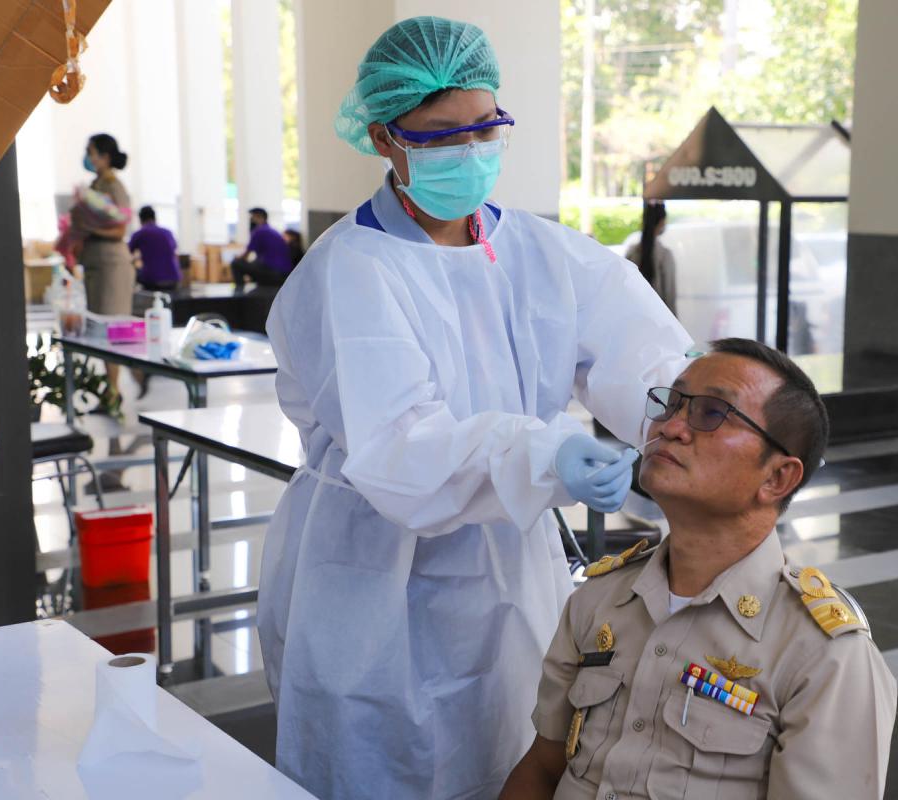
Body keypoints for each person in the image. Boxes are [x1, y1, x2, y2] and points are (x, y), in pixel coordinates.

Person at [257, 16, 691, 800]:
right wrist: (545, 455)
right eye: (440, 137)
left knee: (512, 747)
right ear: (385, 139)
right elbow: (400, 451)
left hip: (506, 566)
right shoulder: (348, 272)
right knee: (381, 767)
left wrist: (693, 415)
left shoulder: (540, 253)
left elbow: (644, 355)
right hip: (373, 578)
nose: (470, 151)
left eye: (486, 127)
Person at [502, 338, 897, 800]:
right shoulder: (598, 599)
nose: (670, 427)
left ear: (776, 478)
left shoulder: (824, 656)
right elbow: (543, 768)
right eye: (672, 404)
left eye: (711, 413)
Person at [77, 133, 132, 405]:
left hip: (112, 265)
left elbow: (120, 229)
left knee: (113, 329)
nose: (88, 158)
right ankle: (111, 391)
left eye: (91, 152)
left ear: (105, 156)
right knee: (100, 331)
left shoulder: (114, 186)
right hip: (95, 263)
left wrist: (90, 229)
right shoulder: (95, 185)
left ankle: (115, 391)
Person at [625, 201, 678, 316]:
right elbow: (669, 296)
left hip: (634, 317)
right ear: (662, 223)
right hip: (657, 319)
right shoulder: (665, 255)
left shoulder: (631, 253)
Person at [232, 207, 293, 288]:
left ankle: (239, 291)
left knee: (236, 263)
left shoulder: (259, 231)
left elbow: (245, 255)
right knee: (255, 263)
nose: (251, 220)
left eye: (253, 217)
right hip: (285, 273)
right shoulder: (272, 230)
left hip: (273, 272)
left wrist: (237, 258)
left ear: (260, 217)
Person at [128, 206, 181, 292]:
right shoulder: (167, 232)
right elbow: (171, 250)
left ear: (140, 220)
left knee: (132, 271)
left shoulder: (139, 234)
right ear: (155, 218)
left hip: (152, 280)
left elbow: (126, 254)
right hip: (174, 279)